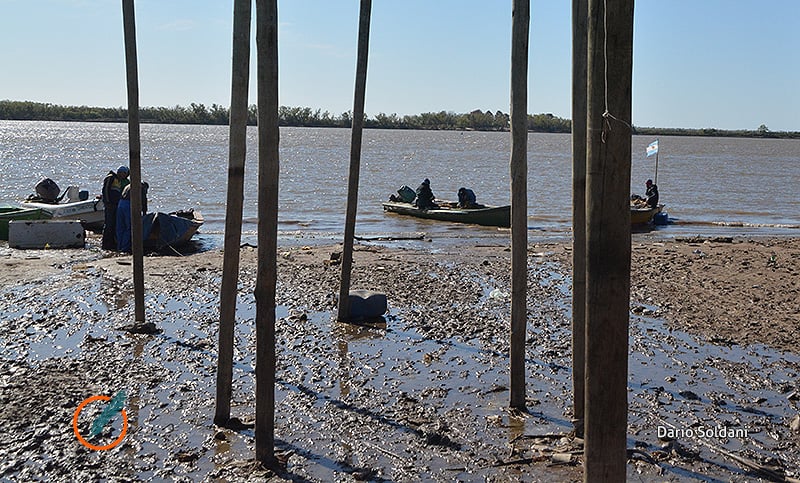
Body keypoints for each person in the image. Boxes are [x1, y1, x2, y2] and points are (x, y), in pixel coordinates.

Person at [101, 166, 130, 250]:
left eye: (124, 174)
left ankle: (112, 244)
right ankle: (106, 245)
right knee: (109, 225)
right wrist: (107, 202)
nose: (122, 175)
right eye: (121, 173)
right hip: (110, 205)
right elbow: (105, 190)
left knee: (114, 224)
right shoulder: (111, 178)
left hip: (116, 205)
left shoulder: (119, 181)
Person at [116, 182, 149, 253]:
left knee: (120, 227)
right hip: (128, 204)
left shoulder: (128, 185)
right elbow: (143, 199)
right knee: (130, 227)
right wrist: (144, 212)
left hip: (120, 203)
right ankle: (125, 248)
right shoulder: (141, 187)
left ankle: (119, 247)